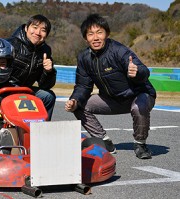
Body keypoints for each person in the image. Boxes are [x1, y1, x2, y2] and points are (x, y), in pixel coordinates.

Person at [65, 14, 156, 159]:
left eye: (99, 32)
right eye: (90, 34)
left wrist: (137, 72)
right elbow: (83, 85)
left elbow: (144, 71)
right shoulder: (84, 57)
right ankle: (104, 142)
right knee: (79, 105)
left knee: (139, 106)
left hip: (138, 96)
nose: (95, 38)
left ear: (107, 34)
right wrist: (74, 100)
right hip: (112, 100)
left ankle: (140, 144)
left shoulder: (119, 50)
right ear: (85, 38)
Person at [7, 14, 57, 121]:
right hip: (6, 88)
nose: (38, 33)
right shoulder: (10, 44)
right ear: (26, 28)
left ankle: (41, 130)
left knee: (48, 96)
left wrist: (48, 71)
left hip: (25, 90)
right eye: (34, 28)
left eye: (43, 30)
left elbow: (45, 85)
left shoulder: (46, 51)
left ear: (46, 34)